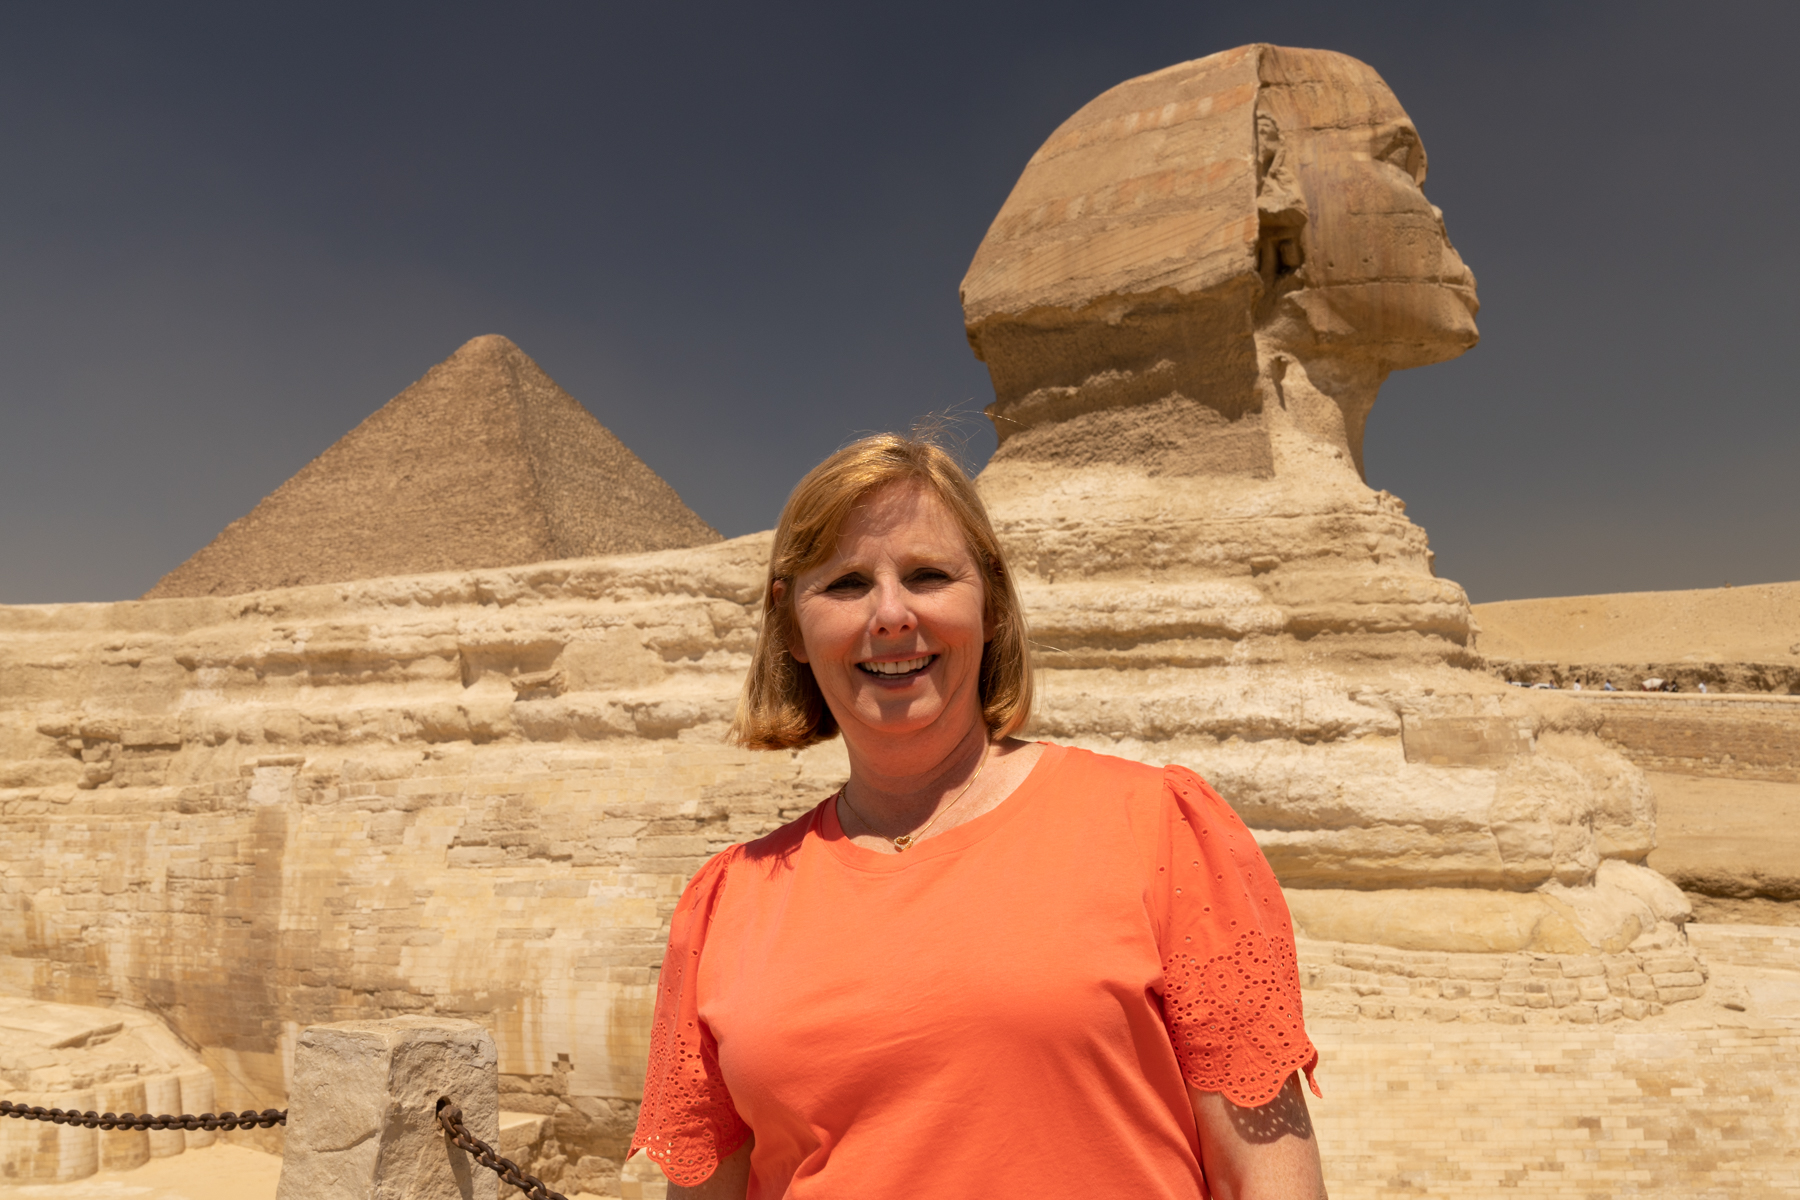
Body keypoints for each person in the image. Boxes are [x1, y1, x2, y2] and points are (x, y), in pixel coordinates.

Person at [630, 434, 1327, 1199]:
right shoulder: (726, 903)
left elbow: (1267, 1176)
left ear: (991, 601)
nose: (890, 615)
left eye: (928, 575)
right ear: (790, 624)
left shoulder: (1159, 829)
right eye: (846, 583)